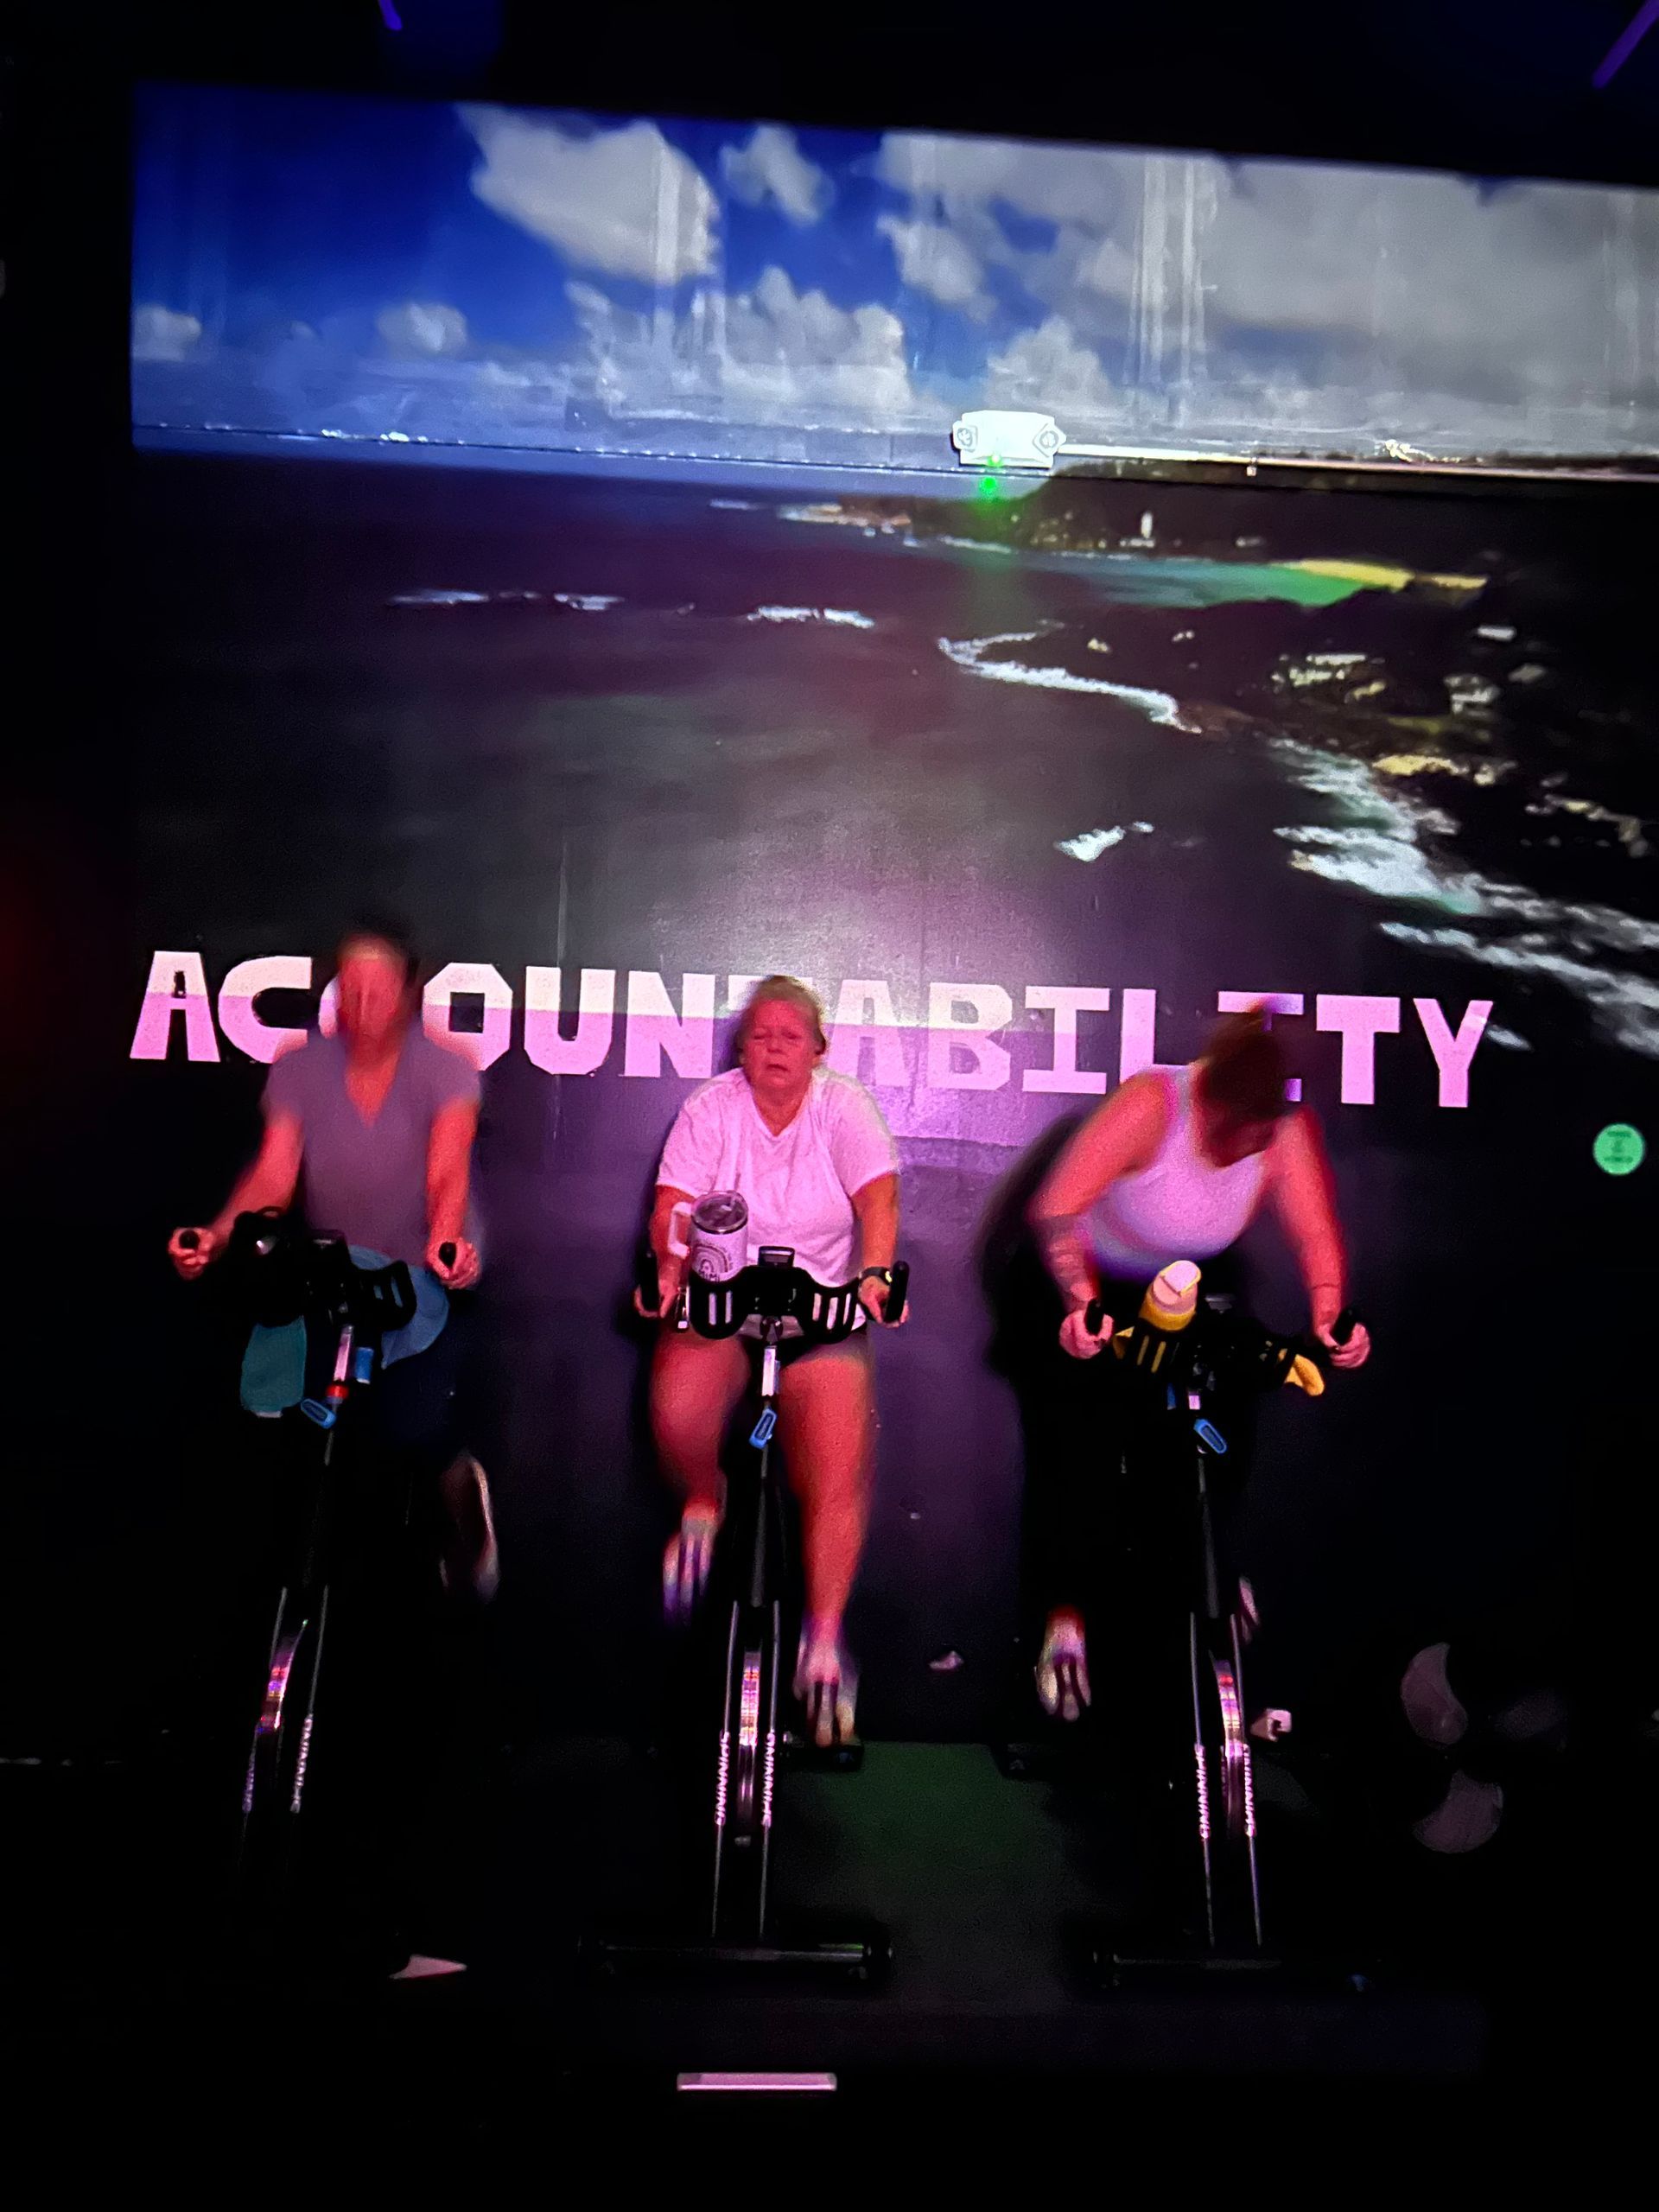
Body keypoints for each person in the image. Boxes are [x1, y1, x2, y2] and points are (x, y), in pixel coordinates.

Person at [168, 918, 495, 1975]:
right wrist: (218, 1237)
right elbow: (273, 1175)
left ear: (409, 993)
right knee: (290, 1435)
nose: (360, 1003)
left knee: (405, 1443)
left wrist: (447, 1240)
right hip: (324, 1273)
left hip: (416, 1274)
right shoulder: (300, 1067)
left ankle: (451, 1495)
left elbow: (447, 1176)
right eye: (346, 986)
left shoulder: (446, 1070)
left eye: (378, 986)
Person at [1025, 1005, 1371, 1726]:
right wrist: (1082, 1302)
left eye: (1259, 1141)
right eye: (1234, 1138)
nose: (1245, 1153)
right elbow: (1056, 1209)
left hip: (1190, 1282)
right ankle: (1065, 1622)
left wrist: (1331, 1319)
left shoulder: (1280, 1129)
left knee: (1227, 1403)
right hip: (1095, 1277)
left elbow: (1315, 1236)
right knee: (1087, 1435)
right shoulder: (1153, 1105)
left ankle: (1206, 1567)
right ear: (1210, 1105)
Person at [638, 976, 903, 1747]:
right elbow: (672, 1208)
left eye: (792, 1036)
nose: (776, 1047)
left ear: (818, 1049)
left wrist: (877, 1274)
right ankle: (702, 1504)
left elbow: (878, 1201)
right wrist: (668, 1267)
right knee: (677, 1408)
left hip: (819, 1312)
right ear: (742, 1050)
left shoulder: (844, 1107)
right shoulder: (711, 1109)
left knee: (836, 1469)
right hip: (726, 1306)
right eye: (761, 1035)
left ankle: (823, 1643)